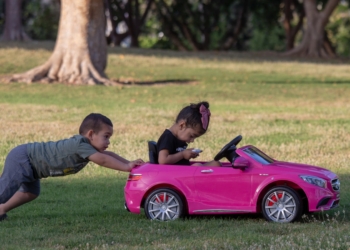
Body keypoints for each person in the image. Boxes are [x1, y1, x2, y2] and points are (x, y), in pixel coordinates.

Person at [0, 113, 144, 221]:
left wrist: (129, 163)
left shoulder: (88, 148)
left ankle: (2, 210)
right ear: (91, 134)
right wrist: (125, 167)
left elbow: (108, 154)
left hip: (33, 167)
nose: (108, 141)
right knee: (3, 192)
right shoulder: (80, 144)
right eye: (106, 136)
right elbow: (103, 160)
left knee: (30, 193)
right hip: (24, 158)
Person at [157, 101, 221, 167]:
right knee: (197, 166)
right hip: (173, 174)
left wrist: (188, 154)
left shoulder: (179, 137)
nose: (192, 140)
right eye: (191, 136)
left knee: (216, 163)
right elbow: (163, 161)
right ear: (182, 125)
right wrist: (182, 154)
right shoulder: (167, 137)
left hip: (182, 171)